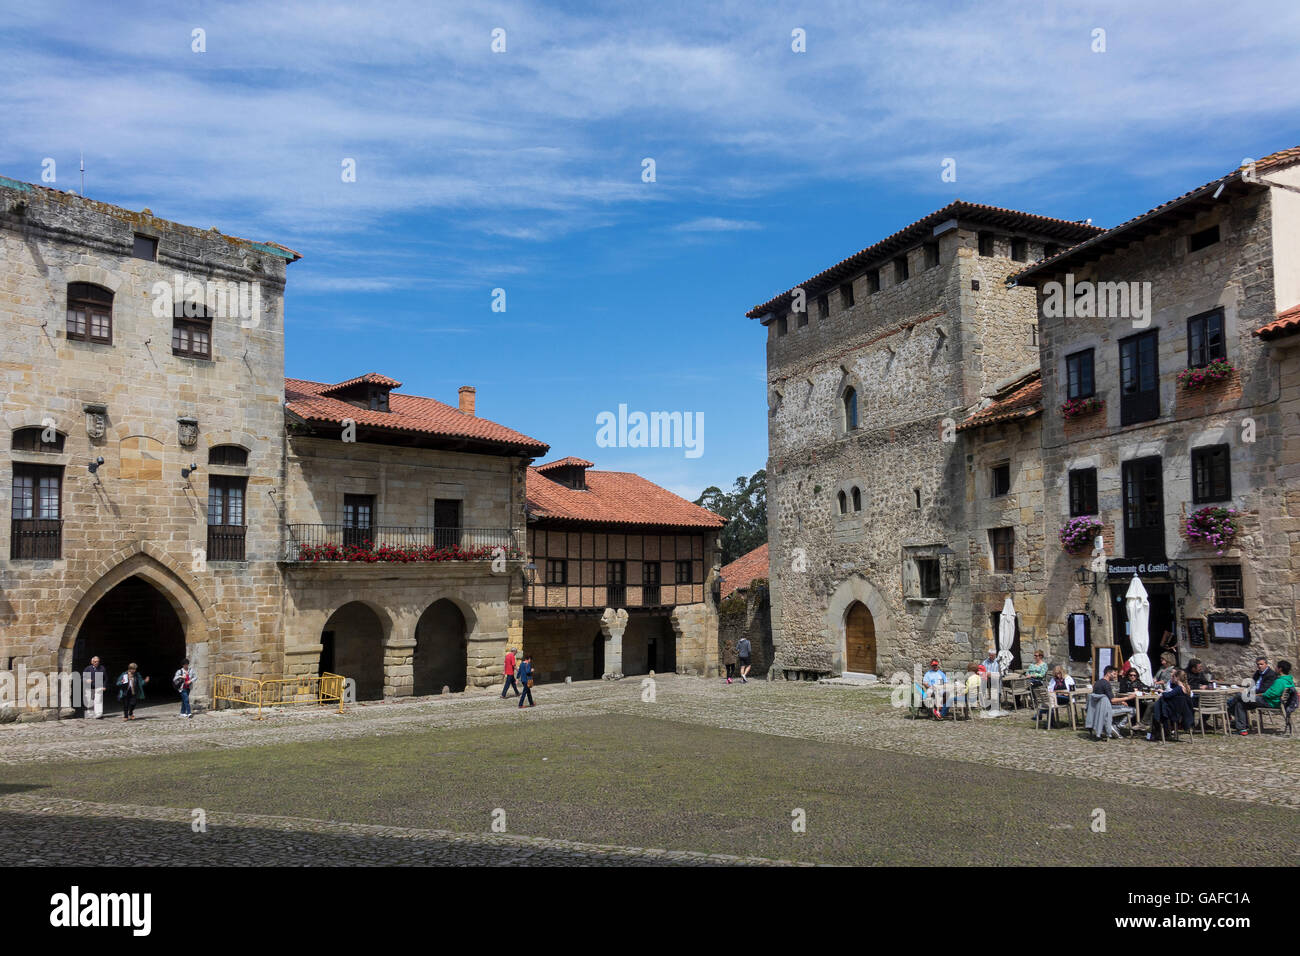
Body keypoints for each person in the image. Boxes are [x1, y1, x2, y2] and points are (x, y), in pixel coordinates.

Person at [1229, 657, 1283, 734]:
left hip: (1263, 698)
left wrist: (1250, 692)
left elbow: (1264, 689)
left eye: (1261, 664)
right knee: (1239, 704)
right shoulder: (1257, 673)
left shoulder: (1271, 675)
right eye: (1258, 664)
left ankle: (1229, 708)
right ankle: (1242, 729)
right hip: (1255, 696)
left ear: (1266, 664)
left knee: (1239, 695)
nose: (1259, 666)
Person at [1147, 669, 1194, 741]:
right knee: (1158, 707)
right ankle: (1163, 733)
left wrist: (1162, 692)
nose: (1172, 678)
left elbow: (1167, 695)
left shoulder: (1179, 688)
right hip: (1183, 711)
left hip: (1175, 712)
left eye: (1174, 677)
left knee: (1158, 709)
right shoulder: (1187, 688)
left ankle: (1158, 733)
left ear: (1177, 678)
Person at [1088, 665, 1133, 739]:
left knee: (1123, 706)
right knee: (1133, 710)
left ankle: (1111, 724)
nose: (1115, 676)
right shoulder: (1106, 684)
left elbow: (1106, 699)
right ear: (1108, 673)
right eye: (1114, 674)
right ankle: (1116, 726)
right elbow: (1112, 700)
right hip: (1106, 710)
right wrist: (1127, 698)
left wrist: (1120, 702)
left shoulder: (1097, 683)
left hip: (1096, 708)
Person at [81, 656, 106, 720]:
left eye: (97, 661)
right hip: (89, 687)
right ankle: (90, 714)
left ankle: (98, 714)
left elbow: (105, 678)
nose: (96, 663)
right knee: (89, 701)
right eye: (95, 661)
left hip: (98, 687)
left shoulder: (102, 668)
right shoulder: (88, 669)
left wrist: (104, 686)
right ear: (92, 662)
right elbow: (82, 678)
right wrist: (86, 680)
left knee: (98, 700)